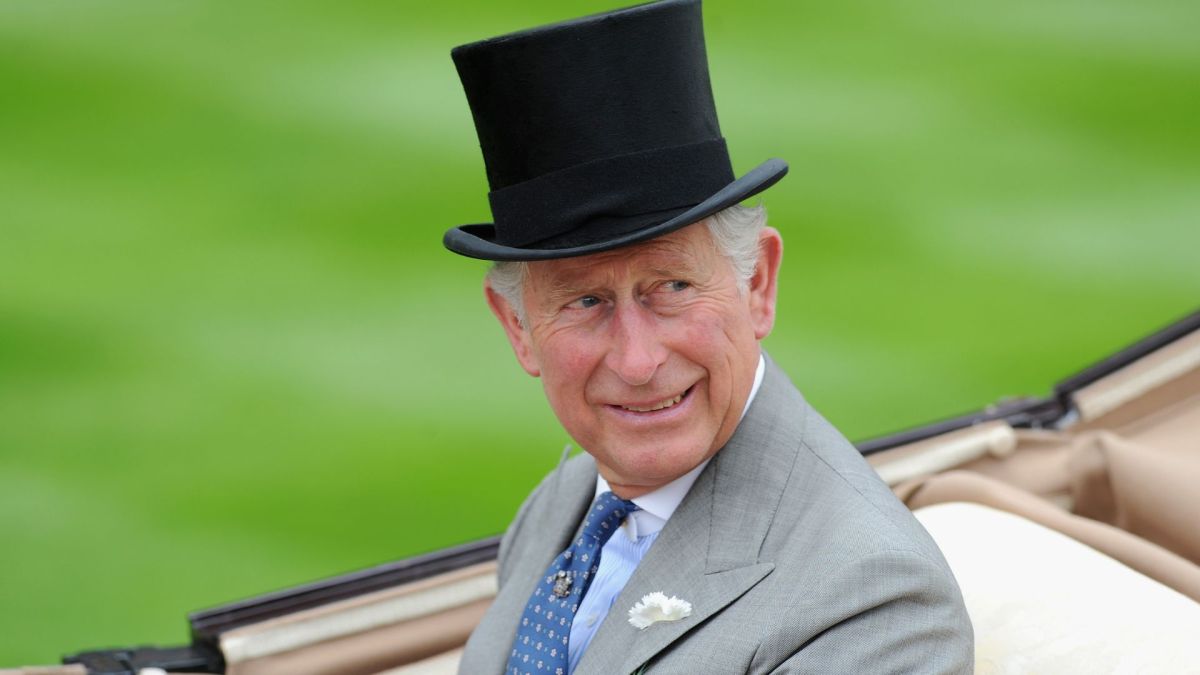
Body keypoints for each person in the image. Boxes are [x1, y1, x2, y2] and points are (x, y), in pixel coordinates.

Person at [444, 1, 974, 673]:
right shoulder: (563, 501)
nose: (637, 362)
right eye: (585, 300)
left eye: (672, 288)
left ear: (759, 286)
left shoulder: (876, 601)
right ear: (518, 327)